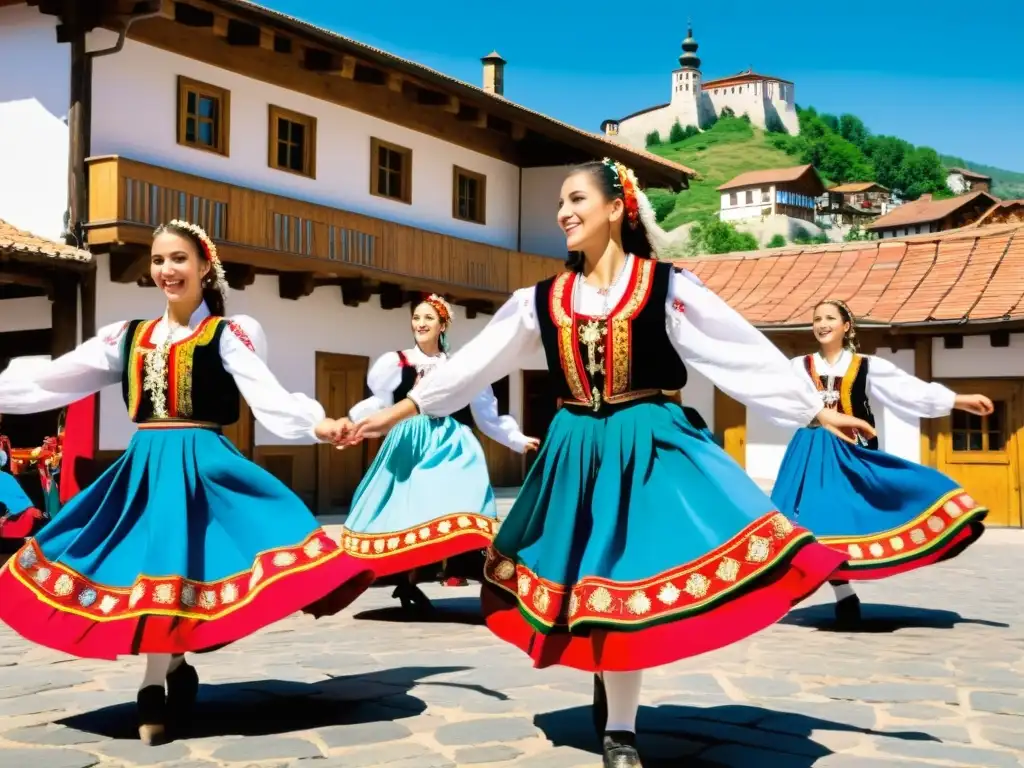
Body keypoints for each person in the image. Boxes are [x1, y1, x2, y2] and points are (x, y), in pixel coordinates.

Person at [341, 159, 874, 767]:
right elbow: (473, 367)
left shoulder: (665, 286)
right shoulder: (538, 300)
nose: (563, 213)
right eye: (559, 204)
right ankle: (612, 689)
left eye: (576, 199)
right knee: (589, 579)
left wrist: (813, 409)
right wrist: (399, 410)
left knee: (627, 577)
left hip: (647, 441)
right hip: (576, 448)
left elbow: (737, 352)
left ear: (617, 207)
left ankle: (621, 729)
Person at [0, 221, 371, 745]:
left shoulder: (226, 334)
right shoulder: (126, 337)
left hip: (202, 467)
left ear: (203, 268)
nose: (166, 271)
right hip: (145, 467)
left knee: (179, 568)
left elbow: (267, 394)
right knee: (152, 569)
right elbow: (55, 376)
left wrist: (317, 424)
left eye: (178, 259)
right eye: (157, 261)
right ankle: (166, 670)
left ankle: (154, 683)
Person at [770, 299, 991, 627]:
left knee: (852, 518)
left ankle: (946, 516)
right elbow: (777, 397)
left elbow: (907, 391)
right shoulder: (798, 366)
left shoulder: (865, 365)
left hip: (852, 451)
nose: (822, 323)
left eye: (830, 317)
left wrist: (956, 400)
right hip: (811, 452)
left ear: (846, 326)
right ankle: (842, 593)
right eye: (817, 318)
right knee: (810, 523)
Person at [334, 294, 539, 611]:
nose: (420, 323)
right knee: (408, 510)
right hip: (409, 440)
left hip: (450, 443)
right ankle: (407, 579)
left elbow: (486, 413)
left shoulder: (459, 366)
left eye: (428, 318)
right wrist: (354, 423)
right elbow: (378, 402)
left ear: (443, 325)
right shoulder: (396, 362)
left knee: (459, 501)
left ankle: (474, 563)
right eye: (416, 317)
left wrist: (515, 438)